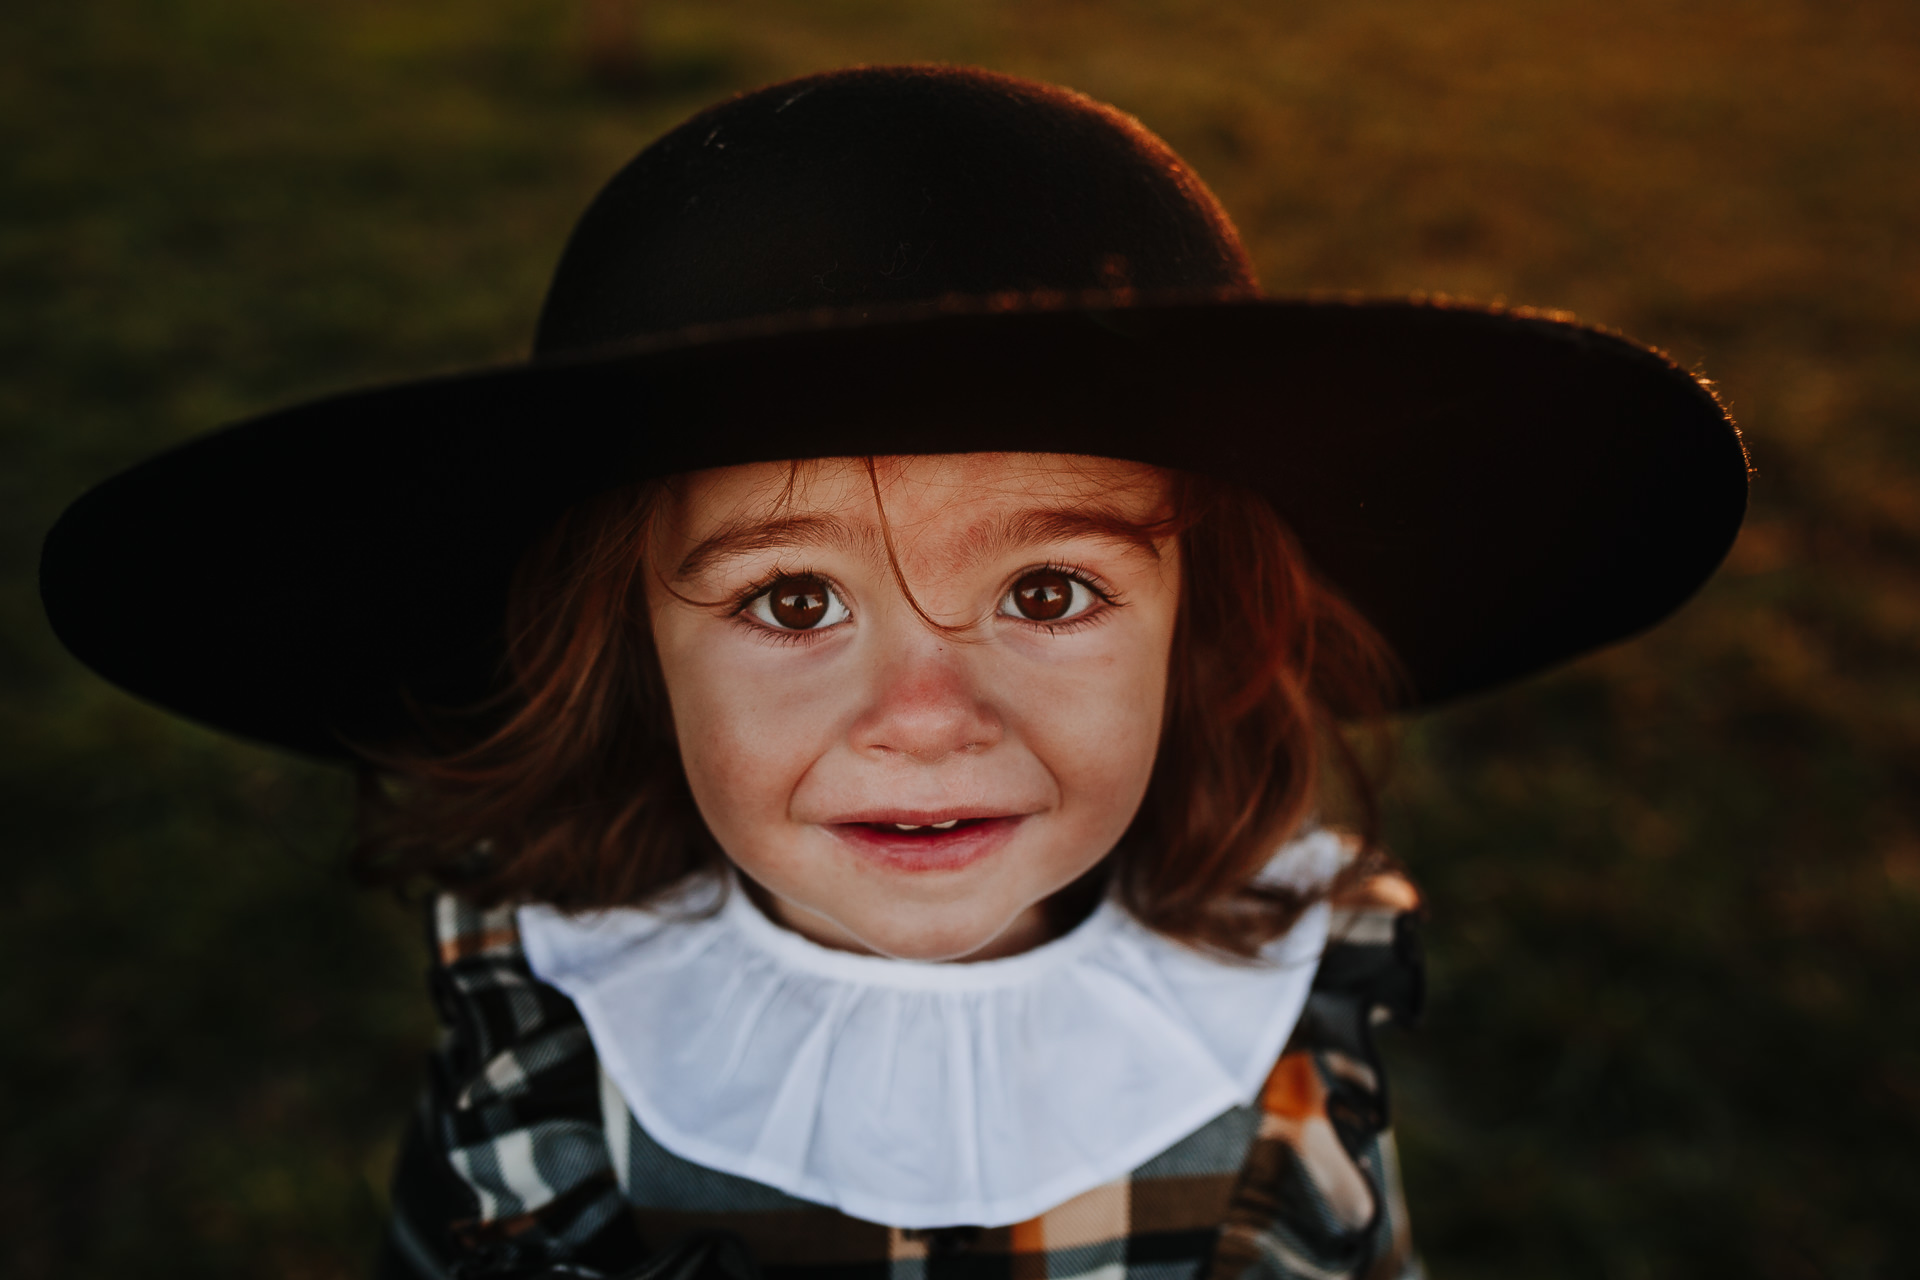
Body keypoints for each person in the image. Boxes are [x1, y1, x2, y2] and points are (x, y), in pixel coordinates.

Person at [39, 65, 1748, 1280]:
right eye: (793, 605)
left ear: (1210, 621)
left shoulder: (1273, 1019)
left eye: (1053, 587)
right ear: (627, 645)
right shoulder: (550, 1020)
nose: (928, 721)